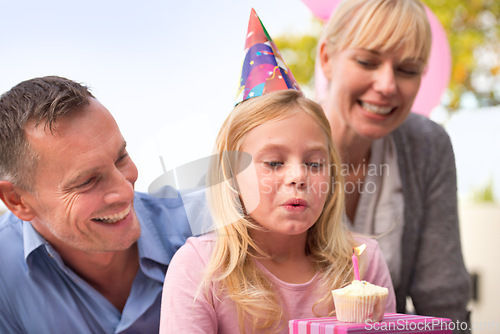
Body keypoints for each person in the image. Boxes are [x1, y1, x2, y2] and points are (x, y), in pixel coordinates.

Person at [160, 9, 395, 334]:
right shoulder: (200, 270)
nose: (298, 176)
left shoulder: (363, 264)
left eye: (314, 163)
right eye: (274, 162)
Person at [317, 0, 470, 329]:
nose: (387, 85)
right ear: (327, 58)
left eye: (407, 70)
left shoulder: (426, 146)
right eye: (367, 61)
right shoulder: (272, 141)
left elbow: (444, 297)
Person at [0, 76, 192, 333]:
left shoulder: (205, 226)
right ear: (18, 201)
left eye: (121, 157)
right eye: (87, 181)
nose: (125, 192)